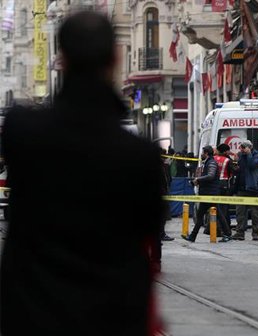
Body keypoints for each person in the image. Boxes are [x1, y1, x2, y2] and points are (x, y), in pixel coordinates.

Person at [0, 11, 165, 335]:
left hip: (34, 318)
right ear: (117, 57)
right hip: (111, 318)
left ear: (60, 59)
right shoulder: (140, 157)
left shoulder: (21, 132)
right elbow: (149, 230)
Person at [183, 145, 219, 242]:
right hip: (206, 193)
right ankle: (192, 237)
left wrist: (198, 179)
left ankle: (227, 234)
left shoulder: (211, 162)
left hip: (210, 194)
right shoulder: (207, 162)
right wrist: (198, 181)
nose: (201, 154)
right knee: (200, 216)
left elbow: (211, 176)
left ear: (206, 153)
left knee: (218, 215)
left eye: (203, 153)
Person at [232, 140, 258, 241]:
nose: (242, 149)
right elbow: (238, 170)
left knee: (255, 213)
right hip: (241, 188)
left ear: (250, 147)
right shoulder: (240, 155)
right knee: (240, 212)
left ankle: (255, 233)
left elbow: (252, 165)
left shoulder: (256, 155)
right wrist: (235, 166)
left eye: (244, 147)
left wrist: (249, 154)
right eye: (242, 147)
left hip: (253, 188)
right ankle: (240, 232)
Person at [213, 143, 236, 242]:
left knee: (216, 209)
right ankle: (226, 231)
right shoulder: (227, 160)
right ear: (225, 151)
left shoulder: (213, 159)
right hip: (225, 185)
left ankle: (218, 230)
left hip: (215, 185)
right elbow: (235, 171)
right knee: (224, 209)